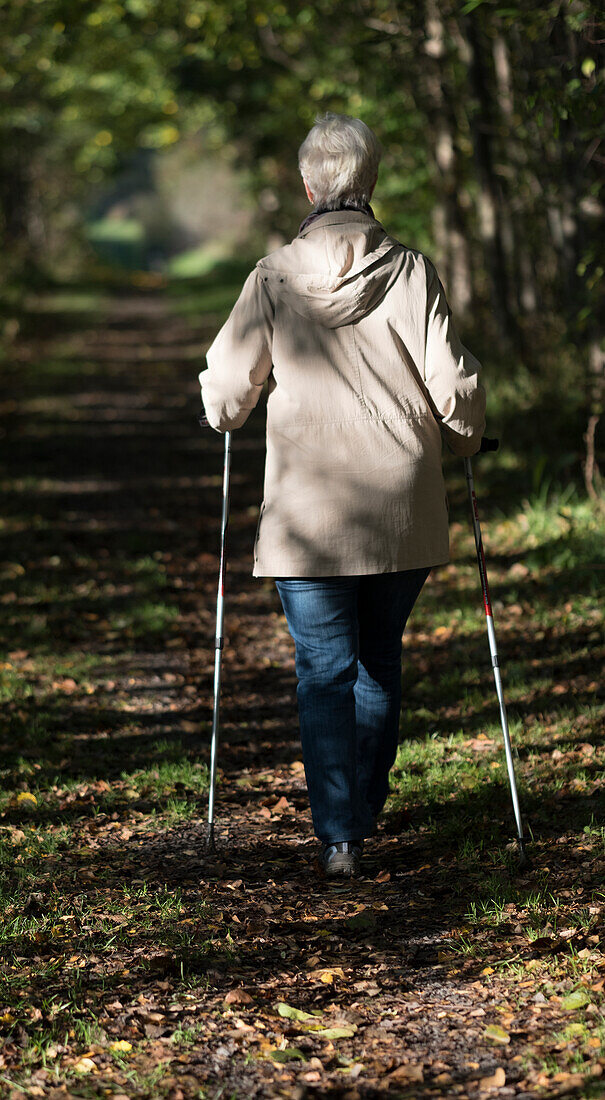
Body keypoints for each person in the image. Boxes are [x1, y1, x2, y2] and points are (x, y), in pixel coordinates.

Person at [198, 113, 485, 878]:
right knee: (377, 661)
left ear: (307, 186)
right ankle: (360, 807)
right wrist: (463, 440)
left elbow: (227, 391)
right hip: (399, 504)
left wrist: (226, 411)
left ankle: (338, 836)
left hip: (309, 511)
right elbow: (451, 383)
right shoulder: (413, 270)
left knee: (322, 668)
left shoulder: (272, 275)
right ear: (371, 184)